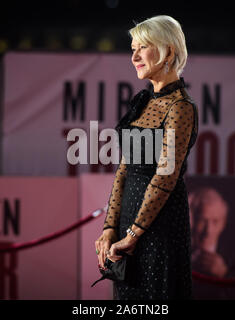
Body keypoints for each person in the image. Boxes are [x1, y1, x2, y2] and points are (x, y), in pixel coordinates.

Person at [94, 15, 199, 299]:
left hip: (159, 228)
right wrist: (109, 228)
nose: (134, 56)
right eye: (133, 48)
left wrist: (133, 235)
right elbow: (124, 170)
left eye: (143, 47)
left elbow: (165, 177)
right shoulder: (143, 102)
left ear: (169, 51)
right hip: (129, 223)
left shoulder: (181, 107)